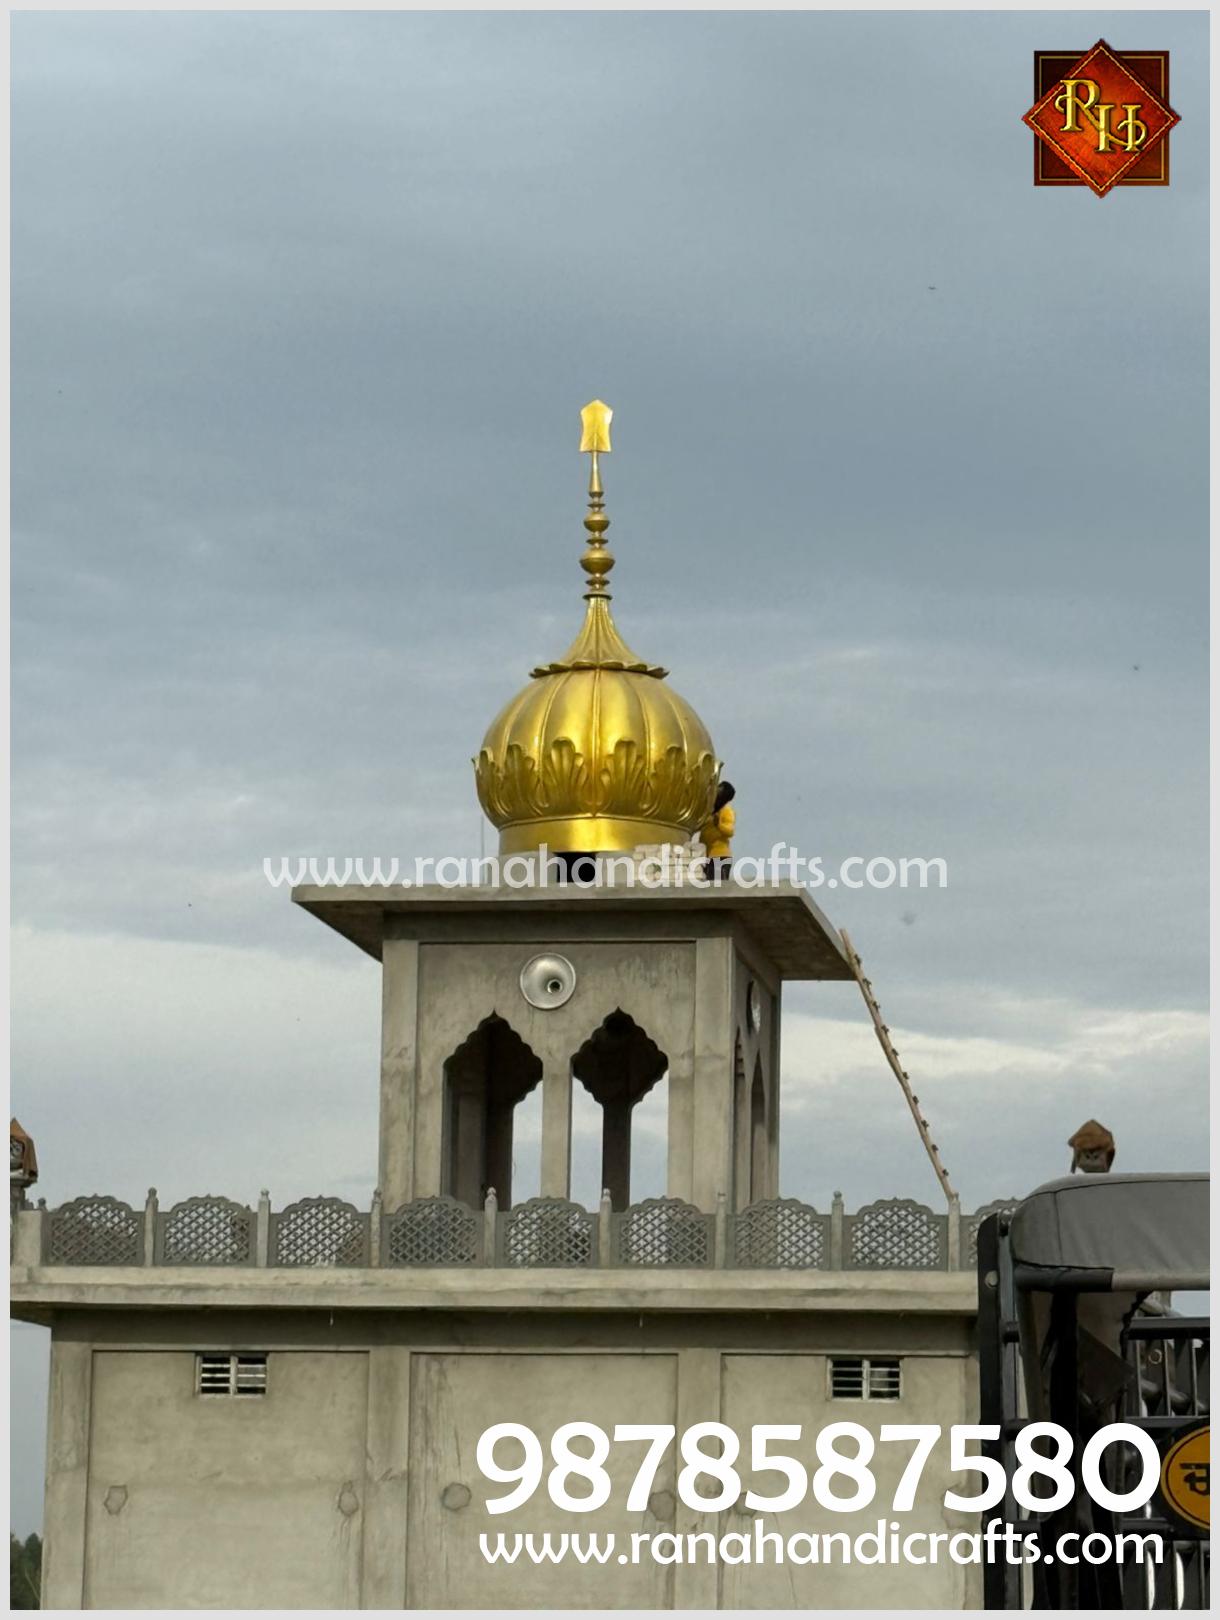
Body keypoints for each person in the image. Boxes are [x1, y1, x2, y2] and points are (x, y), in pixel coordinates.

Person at [699, 780, 736, 882]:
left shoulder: (726, 810)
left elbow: (730, 831)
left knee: (716, 890)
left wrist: (718, 824)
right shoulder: (709, 810)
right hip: (706, 857)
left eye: (719, 791)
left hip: (720, 856)